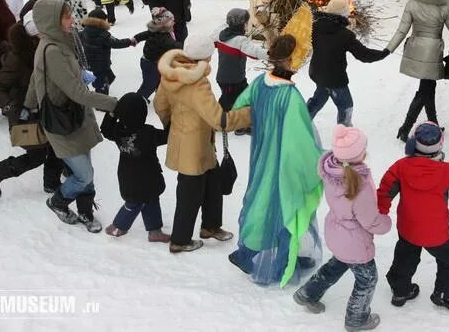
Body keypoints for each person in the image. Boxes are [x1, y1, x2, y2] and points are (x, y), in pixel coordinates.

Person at [228, 34, 324, 286]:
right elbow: (300, 141)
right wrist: (318, 163)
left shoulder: (259, 82)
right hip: (282, 162)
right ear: (292, 61)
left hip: (260, 157)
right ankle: (279, 259)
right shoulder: (291, 97)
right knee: (284, 206)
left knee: (260, 201)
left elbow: (240, 106)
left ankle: (251, 252)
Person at [25, 0, 118, 233]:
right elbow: (77, 93)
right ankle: (57, 201)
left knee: (85, 170)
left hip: (74, 118)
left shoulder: (61, 42)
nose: (72, 20)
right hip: (61, 121)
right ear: (51, 22)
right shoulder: (52, 50)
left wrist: (80, 74)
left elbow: (36, 79)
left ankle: (86, 212)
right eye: (66, 17)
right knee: (84, 174)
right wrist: (114, 104)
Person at [155, 36, 251, 253]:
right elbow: (219, 120)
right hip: (194, 148)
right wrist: (249, 114)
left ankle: (210, 226)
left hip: (196, 145)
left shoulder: (170, 74)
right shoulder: (197, 83)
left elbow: (160, 106)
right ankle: (180, 240)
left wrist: (175, 126)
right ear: (207, 56)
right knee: (190, 195)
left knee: (212, 185)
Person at [293, 125, 391, 331]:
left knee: (336, 265)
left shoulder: (331, 170)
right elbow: (369, 220)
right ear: (358, 155)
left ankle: (308, 294)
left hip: (337, 232)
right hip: (355, 240)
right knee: (367, 279)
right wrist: (385, 223)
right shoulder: (359, 185)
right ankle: (357, 319)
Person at [378, 122, 449, 312]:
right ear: (439, 146)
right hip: (437, 233)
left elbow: (385, 190)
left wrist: (380, 212)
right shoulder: (447, 171)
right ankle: (444, 295)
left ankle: (400, 290)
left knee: (405, 257)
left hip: (408, 228)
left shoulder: (401, 167)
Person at [0, 0, 64, 198]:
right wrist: (12, 108)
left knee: (58, 148)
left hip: (48, 111)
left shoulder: (50, 48)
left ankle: (51, 182)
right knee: (36, 157)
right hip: (27, 116)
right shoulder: (18, 57)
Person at [386, 0, 449, 140]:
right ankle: (405, 127)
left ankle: (433, 123)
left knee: (428, 88)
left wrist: (388, 49)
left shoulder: (412, 2)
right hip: (432, 51)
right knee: (425, 90)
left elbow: (402, 31)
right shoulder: (443, 6)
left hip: (415, 48)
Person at [102, 92, 171, 242]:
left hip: (128, 176)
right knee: (136, 203)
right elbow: (168, 135)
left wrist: (112, 114)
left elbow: (105, 130)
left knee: (147, 200)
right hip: (149, 176)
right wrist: (170, 118)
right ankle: (118, 225)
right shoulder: (148, 133)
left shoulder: (118, 130)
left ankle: (154, 230)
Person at [307, 0, 388, 126]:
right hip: (335, 79)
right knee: (346, 105)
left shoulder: (315, 27)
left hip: (317, 72)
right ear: (343, 14)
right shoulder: (345, 35)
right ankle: (344, 134)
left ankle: (301, 122)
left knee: (319, 97)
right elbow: (364, 55)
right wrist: (384, 53)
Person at [213, 8, 266, 132]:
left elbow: (211, 40)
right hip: (232, 80)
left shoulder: (221, 35)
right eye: (246, 23)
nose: (247, 25)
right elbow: (255, 52)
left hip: (229, 78)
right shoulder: (240, 41)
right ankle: (216, 123)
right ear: (242, 25)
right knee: (229, 103)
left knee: (239, 99)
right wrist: (272, 53)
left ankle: (241, 125)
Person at [80, 8, 135, 95]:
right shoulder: (103, 34)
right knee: (103, 83)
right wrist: (130, 41)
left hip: (91, 62)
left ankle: (98, 84)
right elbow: (116, 43)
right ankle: (101, 101)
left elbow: (78, 37)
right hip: (102, 64)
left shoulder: (84, 31)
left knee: (109, 77)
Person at [134, 7, 181, 103]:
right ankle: (138, 100)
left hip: (154, 61)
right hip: (151, 63)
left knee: (159, 79)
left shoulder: (156, 31)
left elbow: (143, 34)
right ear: (165, 24)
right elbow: (173, 45)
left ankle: (160, 93)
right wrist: (187, 48)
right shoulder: (163, 36)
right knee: (149, 84)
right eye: (172, 21)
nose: (174, 22)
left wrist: (136, 39)